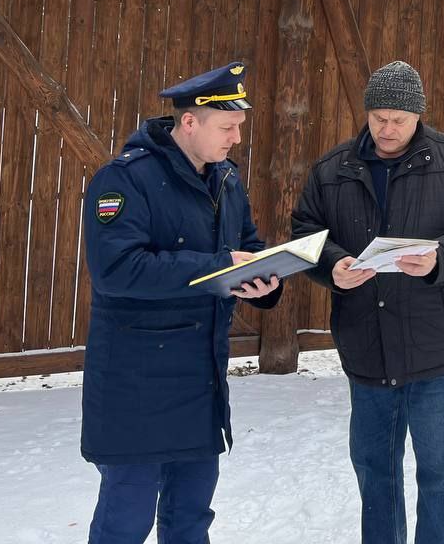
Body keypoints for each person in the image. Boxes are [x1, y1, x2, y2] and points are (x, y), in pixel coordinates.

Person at [292, 60, 444, 544]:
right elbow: (306, 232)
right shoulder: (332, 169)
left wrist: (441, 257)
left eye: (398, 120)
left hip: (437, 353)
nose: (387, 129)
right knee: (376, 475)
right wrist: (334, 265)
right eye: (378, 117)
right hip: (367, 349)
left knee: (442, 476)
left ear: (418, 117)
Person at [80, 61, 283, 544]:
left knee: (191, 520)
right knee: (124, 522)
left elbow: (247, 247)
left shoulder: (227, 180)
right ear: (189, 122)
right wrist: (218, 266)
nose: (236, 138)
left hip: (201, 381)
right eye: (227, 127)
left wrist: (265, 281)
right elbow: (117, 270)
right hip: (135, 386)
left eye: (238, 128)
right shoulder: (124, 180)